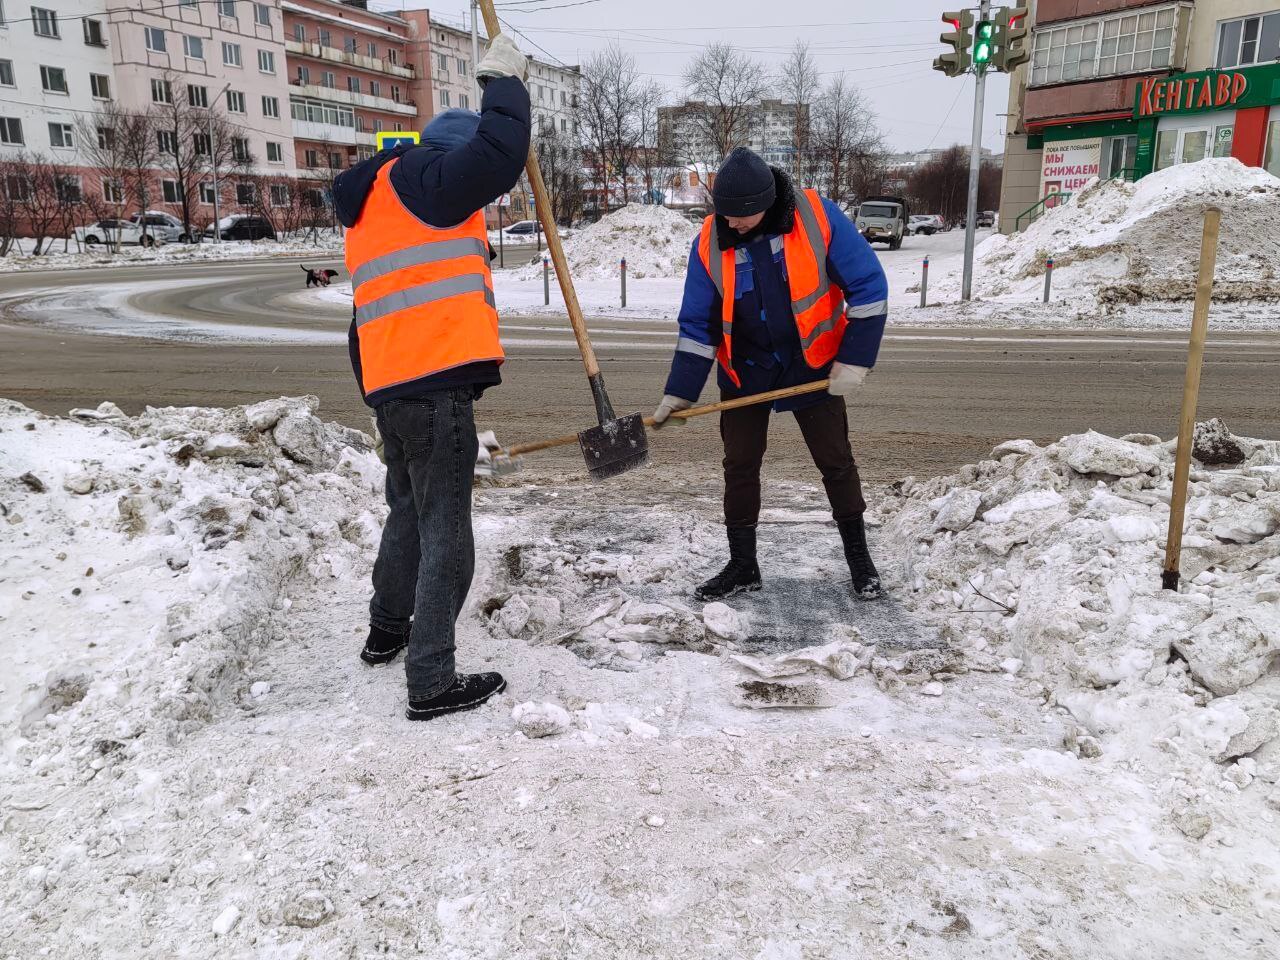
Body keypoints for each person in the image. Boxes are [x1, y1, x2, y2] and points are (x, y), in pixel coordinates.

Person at [333, 34, 530, 721]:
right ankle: (432, 677)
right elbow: (501, 155)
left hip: (393, 384)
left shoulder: (381, 204)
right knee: (447, 524)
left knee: (410, 511)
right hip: (433, 386)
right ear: (453, 157)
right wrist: (503, 83)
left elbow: (362, 320)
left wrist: (378, 392)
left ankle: (387, 631)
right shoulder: (434, 183)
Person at [652, 147, 889, 602]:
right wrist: (679, 391)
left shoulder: (817, 217)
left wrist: (854, 359)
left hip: (811, 365)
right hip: (745, 369)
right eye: (726, 215)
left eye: (743, 215)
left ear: (767, 201)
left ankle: (860, 558)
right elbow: (698, 322)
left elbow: (869, 287)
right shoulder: (709, 239)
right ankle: (743, 566)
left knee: (835, 461)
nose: (733, 224)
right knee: (739, 465)